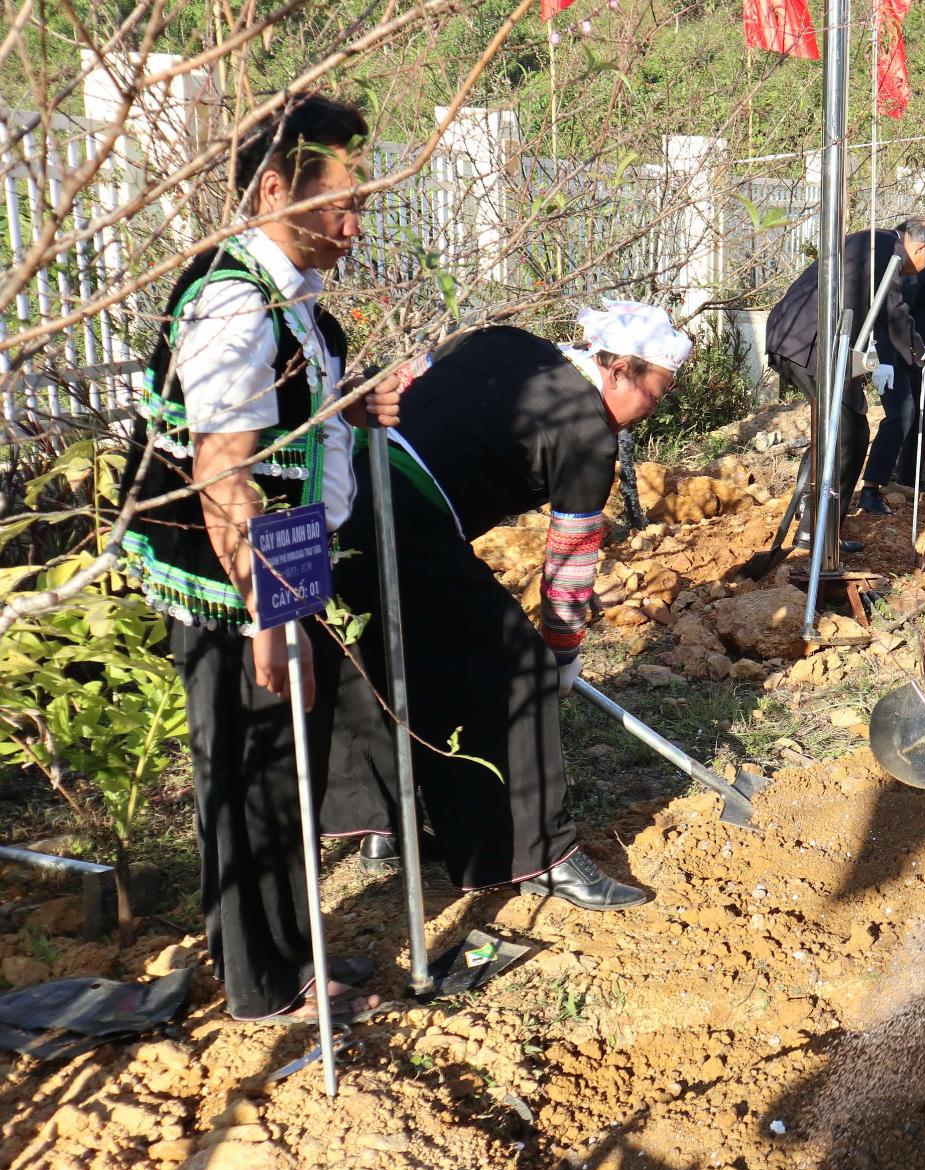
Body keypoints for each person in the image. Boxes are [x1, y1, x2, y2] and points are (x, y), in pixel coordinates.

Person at [119, 94, 400, 1023]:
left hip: (283, 564)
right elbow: (223, 474)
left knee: (289, 770)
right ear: (275, 188)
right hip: (233, 584)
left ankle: (288, 948)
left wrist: (347, 411)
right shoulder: (235, 302)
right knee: (254, 778)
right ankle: (265, 983)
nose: (356, 224)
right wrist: (272, 615)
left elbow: (283, 428)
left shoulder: (285, 297)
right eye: (343, 202)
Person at [334, 305, 689, 913]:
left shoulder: (500, 340)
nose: (645, 417)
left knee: (378, 650)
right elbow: (570, 561)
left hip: (341, 480)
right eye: (653, 400)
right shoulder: (586, 432)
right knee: (512, 670)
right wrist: (560, 655)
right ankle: (540, 856)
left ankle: (379, 825)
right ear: (622, 370)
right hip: (405, 509)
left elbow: (408, 379)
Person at [765, 219, 925, 525]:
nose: (921, 271)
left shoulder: (874, 242)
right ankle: (821, 528)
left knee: (835, 431)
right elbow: (894, 312)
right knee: (849, 436)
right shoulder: (885, 249)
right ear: (921, 247)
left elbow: (877, 310)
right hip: (814, 343)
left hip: (796, 337)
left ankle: (811, 516)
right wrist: (919, 353)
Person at [858, 218, 925, 513]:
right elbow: (890, 314)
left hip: (911, 350)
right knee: (896, 416)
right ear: (922, 247)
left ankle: (886, 483)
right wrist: (882, 358)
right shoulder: (893, 257)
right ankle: (866, 489)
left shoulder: (907, 256)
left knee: (913, 414)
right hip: (888, 352)